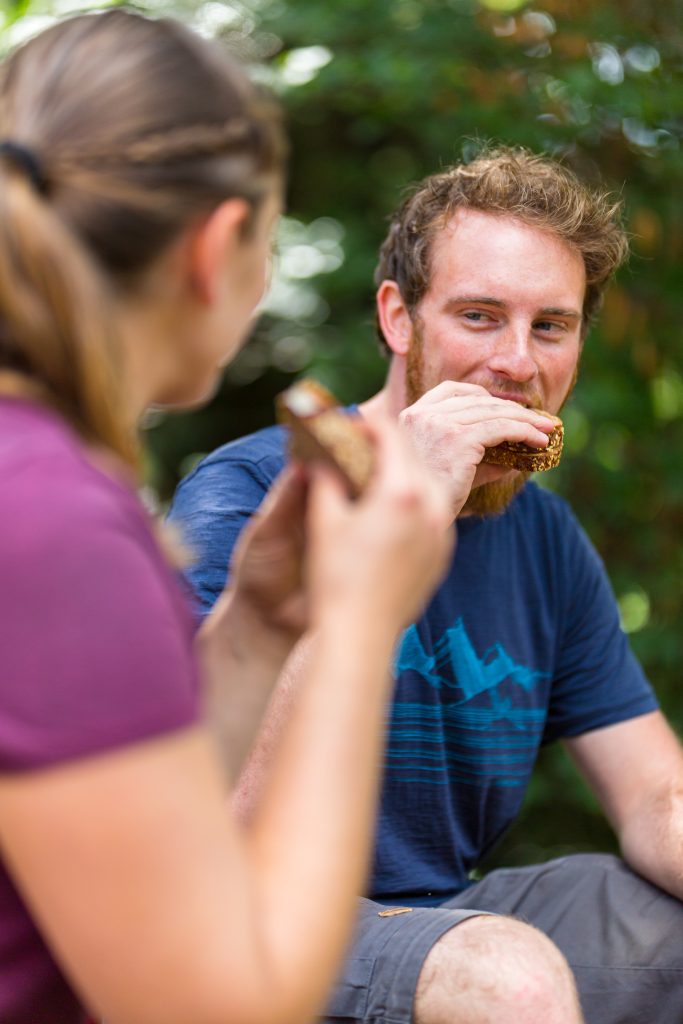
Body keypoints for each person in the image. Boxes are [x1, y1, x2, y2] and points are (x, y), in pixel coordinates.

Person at [0, 11, 458, 1024]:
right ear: (216, 249)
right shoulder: (52, 528)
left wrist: (257, 623)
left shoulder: (36, 479)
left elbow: (129, 831)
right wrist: (357, 623)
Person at [169, 146, 683, 1024]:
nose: (516, 363)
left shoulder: (544, 538)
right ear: (397, 318)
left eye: (550, 326)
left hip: (446, 912)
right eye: (478, 316)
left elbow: (651, 793)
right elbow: (210, 816)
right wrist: (411, 514)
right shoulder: (253, 492)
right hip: (245, 919)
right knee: (503, 974)